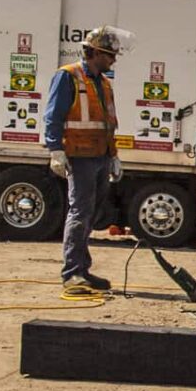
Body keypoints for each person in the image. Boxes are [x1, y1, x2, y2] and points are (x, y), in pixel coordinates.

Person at [44, 27, 123, 294]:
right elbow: (53, 115)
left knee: (90, 214)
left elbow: (108, 123)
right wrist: (55, 149)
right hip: (80, 156)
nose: (114, 60)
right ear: (96, 53)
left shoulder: (104, 83)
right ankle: (72, 273)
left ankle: (82, 269)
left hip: (100, 155)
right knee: (80, 212)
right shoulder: (68, 77)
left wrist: (114, 156)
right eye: (110, 55)